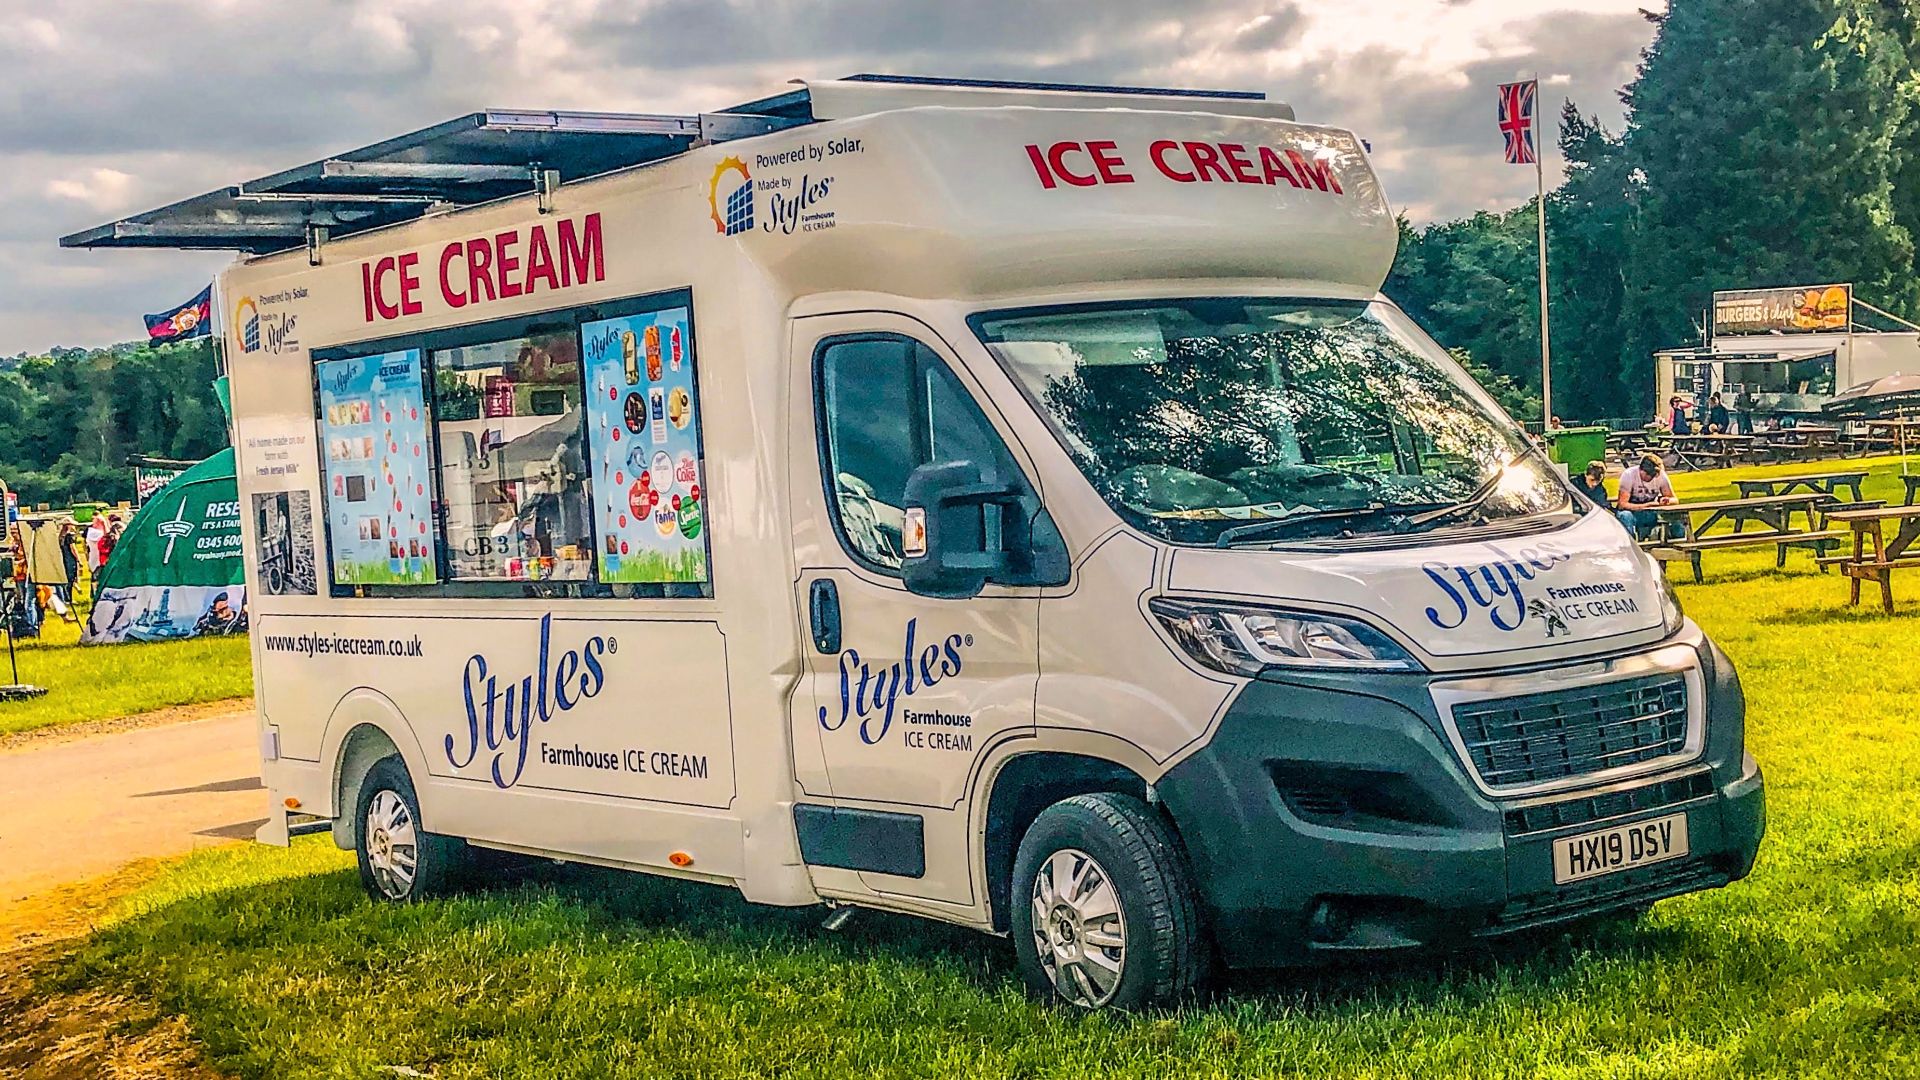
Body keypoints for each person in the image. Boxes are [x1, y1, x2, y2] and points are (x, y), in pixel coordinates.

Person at [1616, 453, 1677, 540]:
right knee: (1625, 516)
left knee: (1675, 519)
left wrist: (1667, 500)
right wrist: (1647, 506)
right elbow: (1622, 504)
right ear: (1641, 469)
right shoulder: (1629, 475)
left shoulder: (1661, 476)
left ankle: (1677, 543)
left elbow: (1674, 500)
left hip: (1652, 512)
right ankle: (1630, 545)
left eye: (1653, 475)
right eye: (1648, 474)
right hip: (1632, 512)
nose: (1651, 477)